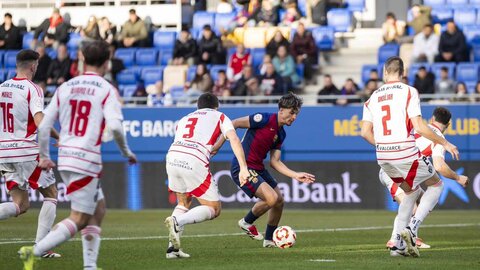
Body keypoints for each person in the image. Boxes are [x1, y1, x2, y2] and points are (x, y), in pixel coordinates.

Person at [19, 40, 137, 270]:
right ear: (107, 61)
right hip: (86, 160)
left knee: (98, 208)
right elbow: (114, 127)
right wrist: (127, 152)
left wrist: (44, 156)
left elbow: (44, 127)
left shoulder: (66, 87)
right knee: (80, 218)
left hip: (66, 157)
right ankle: (34, 251)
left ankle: (90, 266)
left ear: (81, 58)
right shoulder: (106, 89)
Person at [361, 56, 460, 257]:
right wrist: (445, 143)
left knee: (410, 192)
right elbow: (420, 126)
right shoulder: (409, 91)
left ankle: (397, 245)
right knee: (436, 184)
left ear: (384, 73)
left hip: (383, 156)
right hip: (405, 152)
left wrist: (383, 145)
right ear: (403, 73)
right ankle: (412, 230)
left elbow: (364, 132)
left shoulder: (372, 97)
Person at [213, 93, 315, 248]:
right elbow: (233, 124)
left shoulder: (281, 134)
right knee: (271, 198)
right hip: (243, 167)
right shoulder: (264, 118)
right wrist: (217, 146)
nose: (294, 117)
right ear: (281, 110)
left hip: (258, 168)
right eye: (292, 112)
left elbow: (275, 162)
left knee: (279, 200)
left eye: (296, 114)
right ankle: (246, 222)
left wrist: (295, 175)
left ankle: (268, 240)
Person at [164, 93, 250, 258]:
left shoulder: (184, 118)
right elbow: (234, 139)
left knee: (184, 201)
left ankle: (172, 249)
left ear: (198, 106)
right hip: (193, 160)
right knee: (214, 209)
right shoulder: (220, 116)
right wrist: (243, 167)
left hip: (172, 157)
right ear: (216, 106)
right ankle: (178, 222)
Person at [0, 49, 61, 259]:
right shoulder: (32, 89)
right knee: (52, 194)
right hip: (25, 150)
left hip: (4, 152)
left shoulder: (2, 87)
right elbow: (39, 121)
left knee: (21, 204)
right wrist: (57, 137)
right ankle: (41, 248)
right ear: (33, 66)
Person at [380, 107, 468, 250]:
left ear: (432, 119)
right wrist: (458, 178)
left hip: (391, 166)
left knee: (421, 203)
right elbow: (439, 166)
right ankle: (396, 240)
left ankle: (411, 237)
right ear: (449, 124)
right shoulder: (439, 138)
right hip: (397, 172)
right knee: (415, 204)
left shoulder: (419, 128)